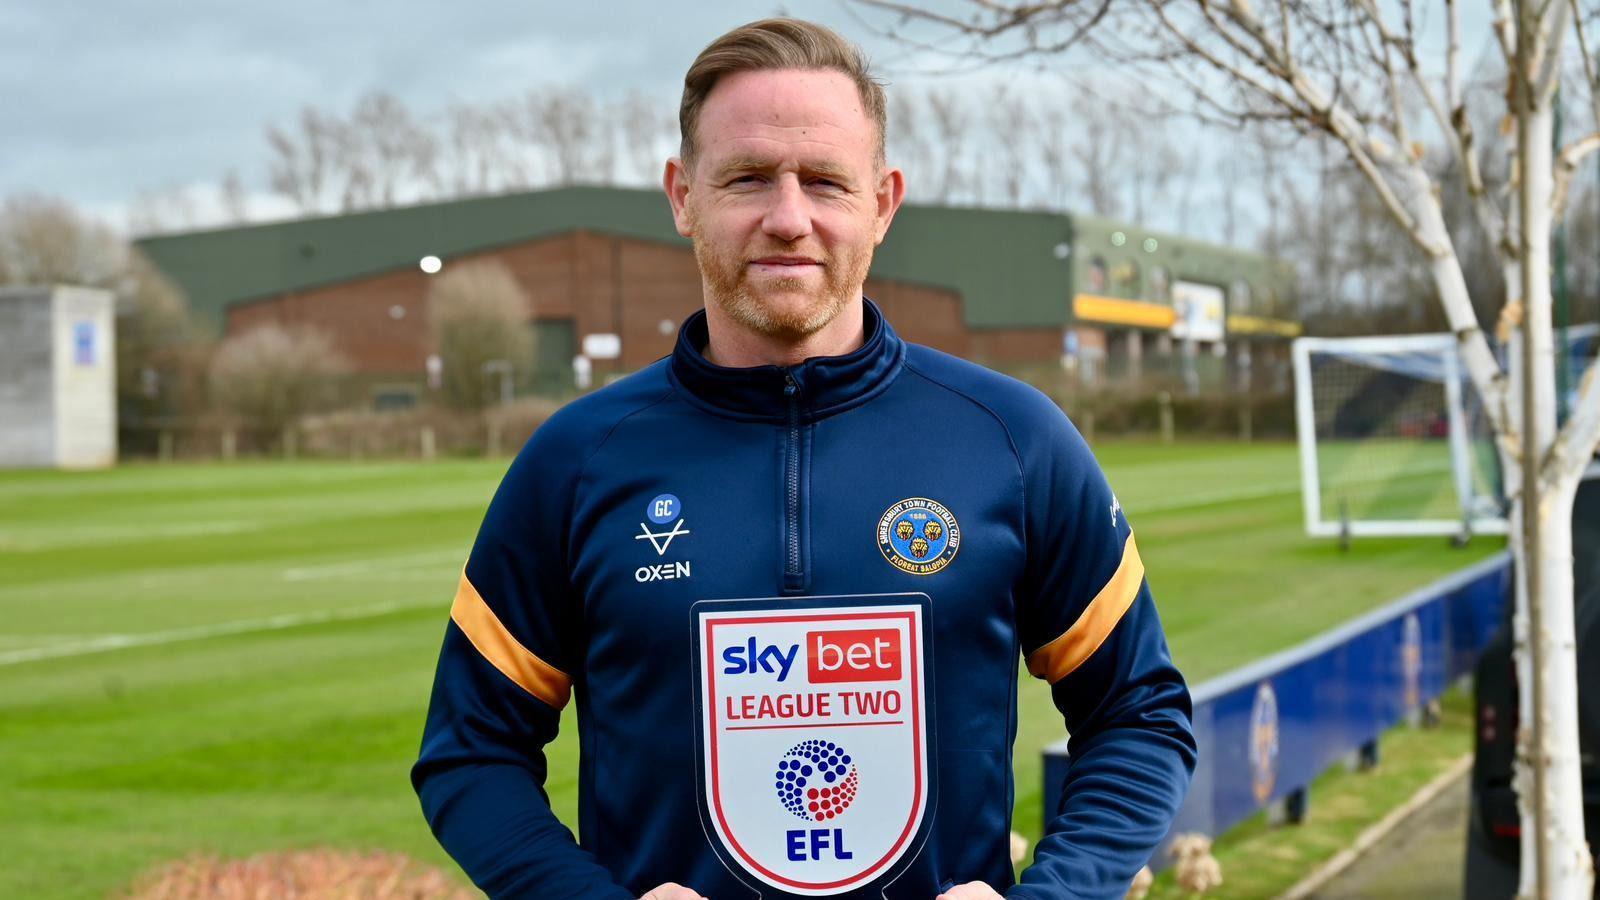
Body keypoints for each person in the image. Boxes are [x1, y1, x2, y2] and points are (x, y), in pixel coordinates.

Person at [412, 18, 1195, 900]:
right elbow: (472, 751)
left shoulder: (1013, 440)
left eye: (824, 180)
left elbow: (1138, 714)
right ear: (682, 196)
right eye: (747, 178)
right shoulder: (578, 460)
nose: (788, 219)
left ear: (883, 204)